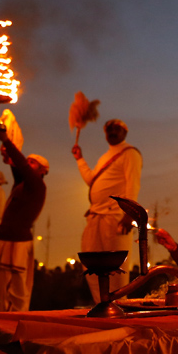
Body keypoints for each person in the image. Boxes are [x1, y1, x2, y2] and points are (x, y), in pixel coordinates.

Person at [72, 118, 142, 301]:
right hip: (95, 216)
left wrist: (129, 213)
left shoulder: (130, 153)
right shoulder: (105, 157)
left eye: (117, 128)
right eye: (108, 128)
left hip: (116, 217)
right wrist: (80, 159)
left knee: (117, 266)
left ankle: (119, 306)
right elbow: (91, 181)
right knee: (91, 262)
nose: (112, 131)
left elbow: (132, 184)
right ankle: (101, 304)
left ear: (124, 133)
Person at [0, 118, 48, 312]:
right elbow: (18, 166)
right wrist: (7, 152)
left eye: (33, 163)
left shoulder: (36, 184)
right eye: (27, 161)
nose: (28, 164)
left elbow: (20, 166)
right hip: (4, 239)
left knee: (18, 289)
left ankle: (17, 327)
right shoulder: (21, 185)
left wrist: (5, 140)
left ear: (43, 170)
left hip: (18, 244)